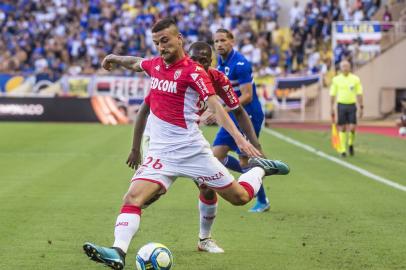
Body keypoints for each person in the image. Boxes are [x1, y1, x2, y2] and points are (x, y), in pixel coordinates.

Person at [82, 18, 289, 270]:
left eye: (165, 41)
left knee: (240, 197)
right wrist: (113, 57)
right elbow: (136, 63)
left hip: (192, 151)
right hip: (161, 152)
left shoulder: (194, 71)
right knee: (133, 197)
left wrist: (240, 140)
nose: (161, 47)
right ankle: (117, 252)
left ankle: (260, 169)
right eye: (157, 43)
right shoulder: (156, 65)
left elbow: (215, 106)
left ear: (179, 38)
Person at [127, 41, 266, 254]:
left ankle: (204, 239)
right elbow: (143, 110)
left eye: (204, 61)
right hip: (158, 140)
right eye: (195, 60)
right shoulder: (174, 76)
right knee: (150, 194)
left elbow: (237, 110)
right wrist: (135, 148)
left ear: (210, 62)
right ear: (187, 58)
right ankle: (124, 233)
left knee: (208, 187)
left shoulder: (217, 79)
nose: (200, 64)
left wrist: (254, 145)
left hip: (188, 142)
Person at [212, 28, 269, 213]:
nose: (219, 44)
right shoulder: (220, 64)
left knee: (245, 161)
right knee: (216, 156)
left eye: (222, 40)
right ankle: (260, 168)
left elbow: (247, 96)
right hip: (232, 115)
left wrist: (221, 111)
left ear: (232, 42)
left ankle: (262, 200)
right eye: (216, 41)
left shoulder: (241, 63)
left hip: (248, 115)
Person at [330, 60, 364, 157]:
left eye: (347, 66)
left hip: (352, 105)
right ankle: (343, 150)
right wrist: (331, 107)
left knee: (352, 127)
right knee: (342, 127)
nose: (345, 68)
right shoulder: (336, 79)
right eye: (343, 66)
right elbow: (332, 94)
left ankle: (350, 143)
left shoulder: (355, 79)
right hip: (341, 105)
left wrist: (361, 106)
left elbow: (359, 93)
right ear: (340, 68)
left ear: (350, 67)